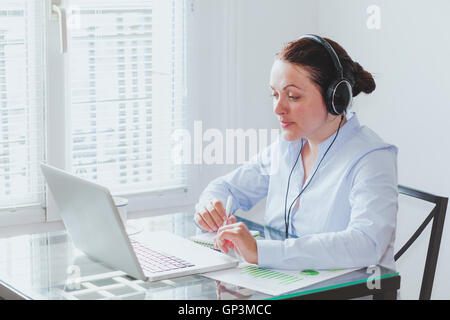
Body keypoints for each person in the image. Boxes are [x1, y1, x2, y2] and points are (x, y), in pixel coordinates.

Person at [193, 35, 398, 271]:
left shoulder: (372, 158)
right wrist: (210, 208)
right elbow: (225, 187)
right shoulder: (287, 146)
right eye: (275, 94)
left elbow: (366, 244)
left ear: (336, 99)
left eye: (293, 96)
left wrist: (261, 251)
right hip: (284, 285)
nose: (278, 108)